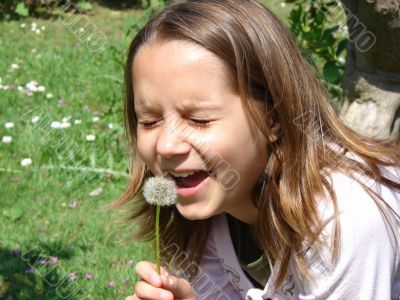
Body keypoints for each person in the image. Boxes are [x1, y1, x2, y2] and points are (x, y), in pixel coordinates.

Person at [115, 0, 400, 299]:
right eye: (149, 121)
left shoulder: (345, 219)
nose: (166, 145)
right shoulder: (215, 209)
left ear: (273, 117)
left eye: (199, 120)